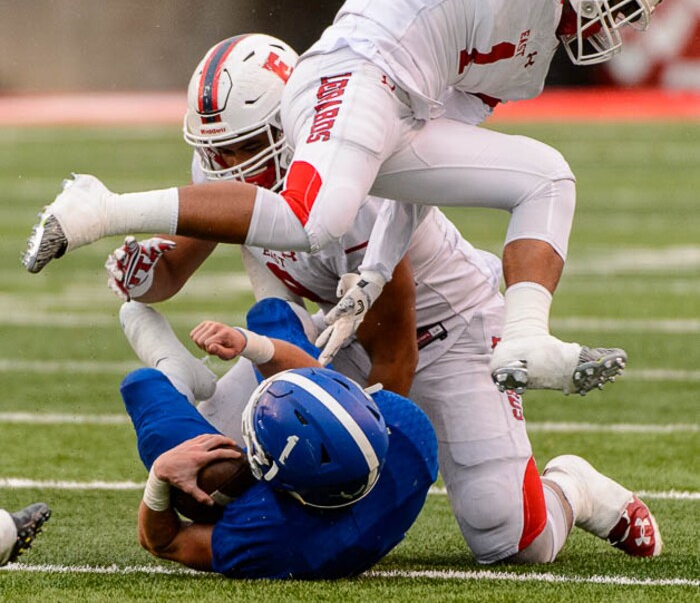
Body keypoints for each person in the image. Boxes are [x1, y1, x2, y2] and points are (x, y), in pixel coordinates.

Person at [23, 0, 672, 396]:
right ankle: (100, 208)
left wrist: (373, 274)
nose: (613, 26)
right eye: (618, 2)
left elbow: (421, 172)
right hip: (358, 67)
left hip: (401, 112)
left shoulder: (524, 65)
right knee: (313, 218)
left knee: (547, 177)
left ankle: (526, 338)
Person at [106, 38, 661, 564]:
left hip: (447, 334)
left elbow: (396, 357)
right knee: (207, 474)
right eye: (216, 151)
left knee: (510, 537)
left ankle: (574, 489)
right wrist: (142, 273)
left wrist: (361, 482)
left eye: (246, 146)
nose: (231, 166)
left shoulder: (353, 188)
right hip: (342, 333)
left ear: (292, 124)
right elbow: (172, 269)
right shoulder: (226, 167)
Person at [119, 300, 438, 579]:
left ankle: (174, 370)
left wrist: (159, 476)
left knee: (143, 385)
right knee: (271, 313)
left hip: (290, 523)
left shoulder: (273, 534)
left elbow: (165, 542)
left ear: (277, 482)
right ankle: (273, 324)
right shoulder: (406, 427)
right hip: (323, 498)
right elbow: (318, 380)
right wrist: (248, 343)